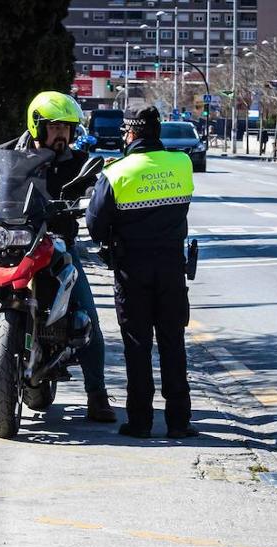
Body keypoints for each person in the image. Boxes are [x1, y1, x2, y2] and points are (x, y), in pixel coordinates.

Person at [0, 91, 116, 422]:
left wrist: (88, 197)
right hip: (5, 242)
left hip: (54, 244)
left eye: (67, 128)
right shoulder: (3, 155)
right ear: (36, 126)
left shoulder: (75, 161)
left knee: (87, 316)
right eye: (55, 127)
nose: (62, 135)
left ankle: (97, 395)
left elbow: (92, 187)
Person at [85, 106, 197, 439]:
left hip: (132, 269)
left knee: (138, 346)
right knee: (173, 343)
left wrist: (111, 240)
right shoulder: (182, 163)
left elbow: (94, 223)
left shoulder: (117, 172)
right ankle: (179, 422)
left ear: (131, 134)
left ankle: (140, 422)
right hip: (172, 268)